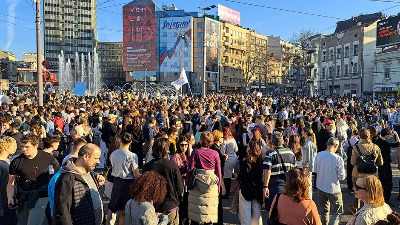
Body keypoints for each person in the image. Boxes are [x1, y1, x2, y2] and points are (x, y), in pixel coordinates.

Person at [6, 133, 60, 225]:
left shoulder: (48, 158)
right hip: (23, 196)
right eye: (22, 146)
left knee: (33, 222)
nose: (23, 149)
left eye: (27, 147)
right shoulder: (17, 161)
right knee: (23, 222)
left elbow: (57, 177)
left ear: (36, 145)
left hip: (41, 195)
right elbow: (11, 182)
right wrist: (10, 197)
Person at [53, 143, 105, 225]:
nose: (98, 162)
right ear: (86, 156)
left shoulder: (89, 172)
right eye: (96, 158)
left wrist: (97, 185)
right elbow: (62, 211)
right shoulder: (67, 179)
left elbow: (83, 193)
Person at [142, 138, 183, 225]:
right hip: (170, 205)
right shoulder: (172, 166)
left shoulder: (147, 167)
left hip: (152, 207)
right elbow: (179, 187)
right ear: (167, 149)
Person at [186, 131, 224, 224]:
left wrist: (188, 182)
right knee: (209, 214)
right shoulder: (215, 153)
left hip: (197, 181)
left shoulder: (195, 152)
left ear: (201, 140)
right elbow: (218, 171)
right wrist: (219, 186)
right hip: (211, 182)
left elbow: (190, 169)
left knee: (196, 214)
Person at [107, 132, 140, 225]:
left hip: (116, 182)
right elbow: (136, 173)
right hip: (128, 183)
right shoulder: (132, 156)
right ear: (131, 142)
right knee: (124, 210)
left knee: (113, 206)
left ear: (120, 140)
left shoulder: (113, 154)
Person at [314, 137, 345, 225]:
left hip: (320, 186)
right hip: (333, 188)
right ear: (335, 145)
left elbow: (315, 170)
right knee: (337, 211)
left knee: (323, 211)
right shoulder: (338, 159)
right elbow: (342, 177)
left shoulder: (318, 155)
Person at [263, 131, 296, 211]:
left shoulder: (270, 153)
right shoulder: (291, 153)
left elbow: (267, 170)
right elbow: (294, 171)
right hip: (288, 185)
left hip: (274, 185)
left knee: (273, 211)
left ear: (272, 142)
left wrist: (265, 186)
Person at [351, 129, 383, 209]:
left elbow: (353, 162)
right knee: (372, 191)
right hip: (372, 174)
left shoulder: (356, 147)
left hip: (358, 173)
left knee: (357, 191)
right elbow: (381, 162)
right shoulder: (375, 147)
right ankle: (374, 207)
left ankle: (356, 208)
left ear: (359, 136)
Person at [238, 141, 263, 225]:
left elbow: (241, 176)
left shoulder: (245, 163)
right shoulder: (261, 162)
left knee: (245, 216)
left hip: (246, 190)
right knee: (256, 216)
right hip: (257, 190)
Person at [0, 137, 18, 225]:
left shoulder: (8, 160)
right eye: (13, 146)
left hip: (9, 200)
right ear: (6, 147)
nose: (16, 148)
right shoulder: (1, 165)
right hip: (3, 202)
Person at [220, 127, 238, 198]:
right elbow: (236, 149)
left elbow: (222, 152)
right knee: (231, 175)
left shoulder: (224, 141)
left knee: (226, 177)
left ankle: (226, 193)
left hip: (227, 160)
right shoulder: (233, 139)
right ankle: (232, 190)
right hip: (234, 158)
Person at [301, 127, 318, 199]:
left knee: (307, 185)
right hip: (307, 167)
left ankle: (308, 200)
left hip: (307, 167)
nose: (301, 133)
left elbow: (310, 158)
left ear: (305, 133)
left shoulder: (308, 144)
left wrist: (307, 169)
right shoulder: (309, 143)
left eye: (302, 131)